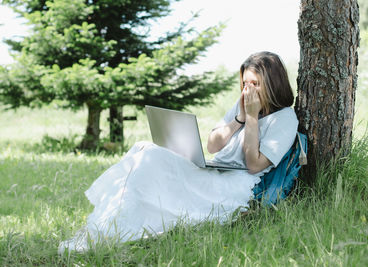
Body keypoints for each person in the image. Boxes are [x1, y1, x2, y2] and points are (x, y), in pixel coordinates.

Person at [58, 51, 298, 254]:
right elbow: (213, 146)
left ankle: (114, 228)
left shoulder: (285, 118)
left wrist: (253, 119)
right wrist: (240, 118)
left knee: (151, 157)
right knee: (145, 148)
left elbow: (255, 164)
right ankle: (108, 223)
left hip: (236, 185)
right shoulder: (243, 105)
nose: (248, 90)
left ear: (272, 84)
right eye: (245, 83)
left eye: (255, 84)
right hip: (215, 170)